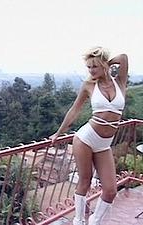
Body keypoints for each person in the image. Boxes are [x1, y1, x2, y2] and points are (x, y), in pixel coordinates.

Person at [49, 47, 128, 225]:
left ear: (104, 65)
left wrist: (107, 62)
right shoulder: (89, 85)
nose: (91, 70)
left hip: (104, 144)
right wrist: (58, 133)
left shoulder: (120, 82)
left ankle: (94, 220)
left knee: (110, 190)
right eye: (89, 67)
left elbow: (123, 58)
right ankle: (78, 221)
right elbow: (75, 110)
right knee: (84, 181)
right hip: (86, 138)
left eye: (94, 66)